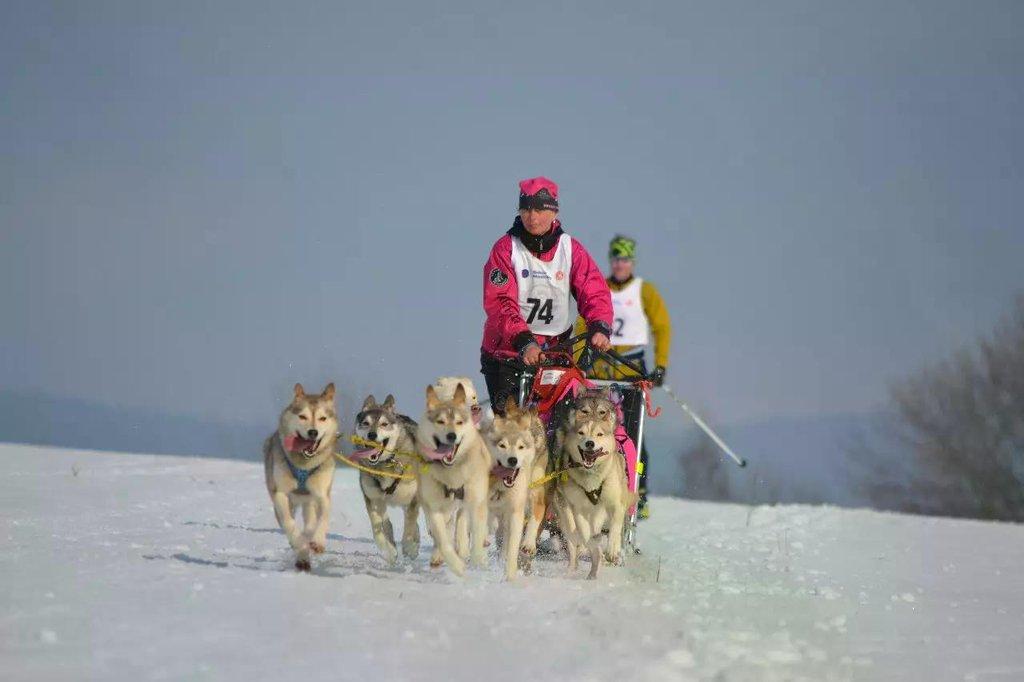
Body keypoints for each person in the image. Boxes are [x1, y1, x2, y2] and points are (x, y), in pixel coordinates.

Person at [480, 177, 613, 414]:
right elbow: (500, 303)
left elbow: (594, 291)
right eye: (526, 208)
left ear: (554, 211)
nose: (532, 216)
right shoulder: (505, 249)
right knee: (514, 435)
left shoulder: (571, 250)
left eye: (540, 209)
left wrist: (599, 326)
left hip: (556, 352)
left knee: (559, 429)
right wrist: (525, 342)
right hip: (507, 353)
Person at [577, 234, 671, 518]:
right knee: (594, 432)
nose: (621, 265)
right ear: (611, 260)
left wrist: (661, 365)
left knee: (632, 435)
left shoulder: (645, 292)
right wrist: (577, 362)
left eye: (626, 260)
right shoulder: (599, 288)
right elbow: (583, 325)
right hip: (598, 373)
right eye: (617, 259)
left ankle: (638, 491)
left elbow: (662, 328)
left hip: (631, 373)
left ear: (632, 262)